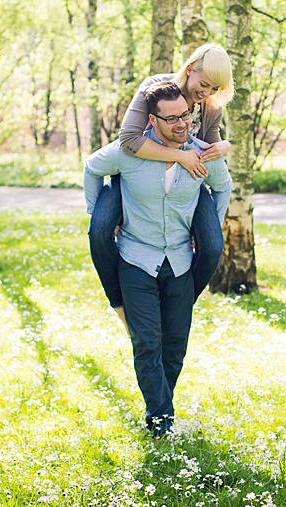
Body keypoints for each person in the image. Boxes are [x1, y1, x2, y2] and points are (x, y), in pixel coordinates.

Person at [83, 80, 232, 437]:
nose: (182, 125)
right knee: (147, 340)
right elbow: (92, 167)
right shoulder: (129, 152)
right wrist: (98, 213)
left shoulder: (202, 153)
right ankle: (161, 420)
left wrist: (212, 222)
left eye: (186, 116)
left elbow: (223, 186)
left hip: (181, 260)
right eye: (171, 119)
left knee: (174, 345)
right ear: (152, 121)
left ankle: (159, 409)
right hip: (135, 258)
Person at [88, 44, 235, 330]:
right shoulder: (154, 87)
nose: (206, 93)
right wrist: (179, 154)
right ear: (190, 68)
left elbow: (208, 143)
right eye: (203, 84)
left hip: (186, 179)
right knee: (100, 228)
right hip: (135, 174)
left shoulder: (210, 105)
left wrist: (224, 145)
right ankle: (119, 303)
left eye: (214, 89)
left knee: (214, 245)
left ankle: (175, 311)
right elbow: (129, 140)